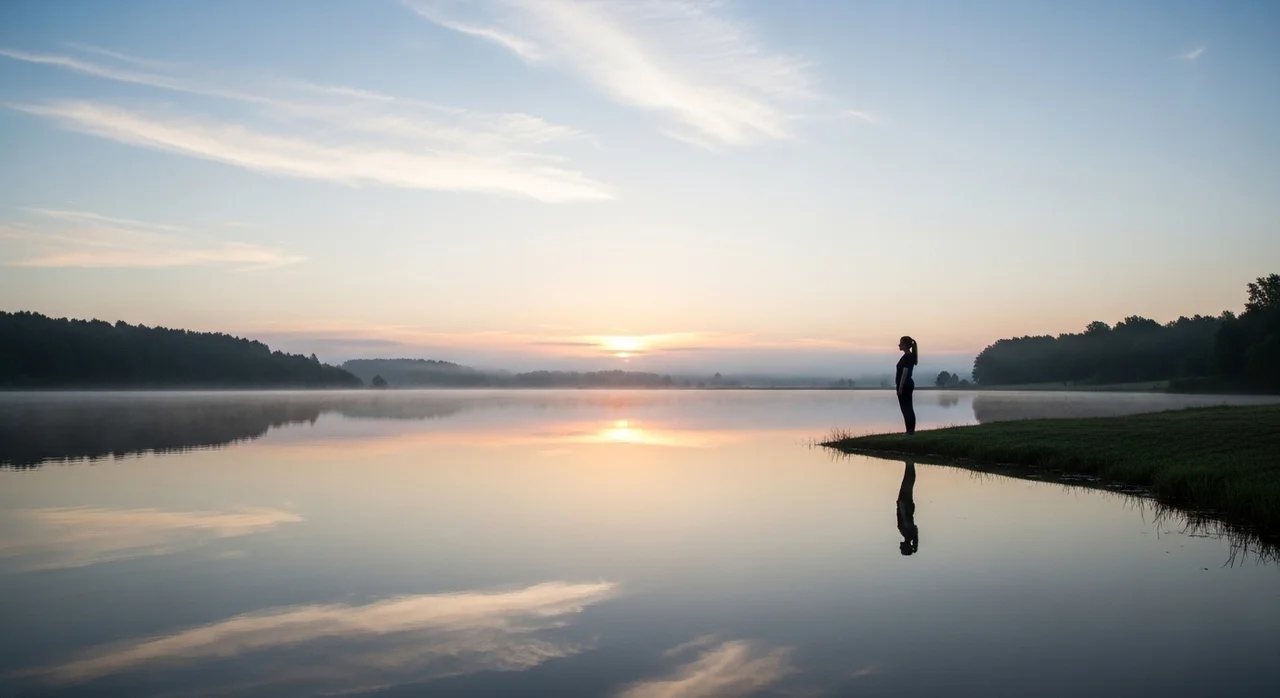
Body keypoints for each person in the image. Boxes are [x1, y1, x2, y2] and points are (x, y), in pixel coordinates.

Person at [896, 457, 919, 555]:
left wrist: (915, 547)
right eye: (902, 548)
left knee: (908, 483)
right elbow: (904, 519)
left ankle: (909, 463)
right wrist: (901, 505)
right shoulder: (906, 532)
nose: (900, 546)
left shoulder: (911, 535)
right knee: (907, 483)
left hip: (908, 507)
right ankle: (909, 462)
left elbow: (916, 537)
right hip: (905, 505)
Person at [896, 335, 918, 434]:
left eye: (900, 343)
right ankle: (909, 430)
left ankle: (910, 431)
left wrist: (900, 387)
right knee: (907, 407)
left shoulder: (908, 357)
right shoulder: (908, 356)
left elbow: (905, 372)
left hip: (905, 385)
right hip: (907, 384)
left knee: (906, 408)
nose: (898, 345)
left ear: (904, 345)